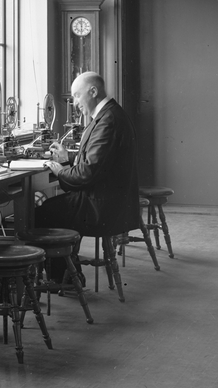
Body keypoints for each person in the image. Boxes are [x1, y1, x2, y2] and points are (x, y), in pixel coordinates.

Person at [36, 71, 141, 280]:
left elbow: (87, 173)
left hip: (102, 208)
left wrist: (61, 171)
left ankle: (63, 277)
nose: (75, 103)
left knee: (44, 212)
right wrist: (67, 158)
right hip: (109, 201)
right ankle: (69, 272)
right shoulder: (109, 114)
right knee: (55, 208)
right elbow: (98, 163)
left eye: (77, 95)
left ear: (93, 91)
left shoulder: (108, 121)